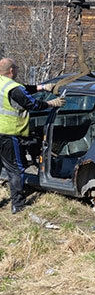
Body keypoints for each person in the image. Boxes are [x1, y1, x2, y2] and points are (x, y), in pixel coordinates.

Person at [0, 58, 64, 214]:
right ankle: (18, 205)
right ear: (11, 71)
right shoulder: (13, 88)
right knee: (15, 170)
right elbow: (32, 104)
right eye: (16, 67)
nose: (17, 70)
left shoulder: (4, 84)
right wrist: (52, 103)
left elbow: (23, 89)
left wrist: (43, 87)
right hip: (10, 134)